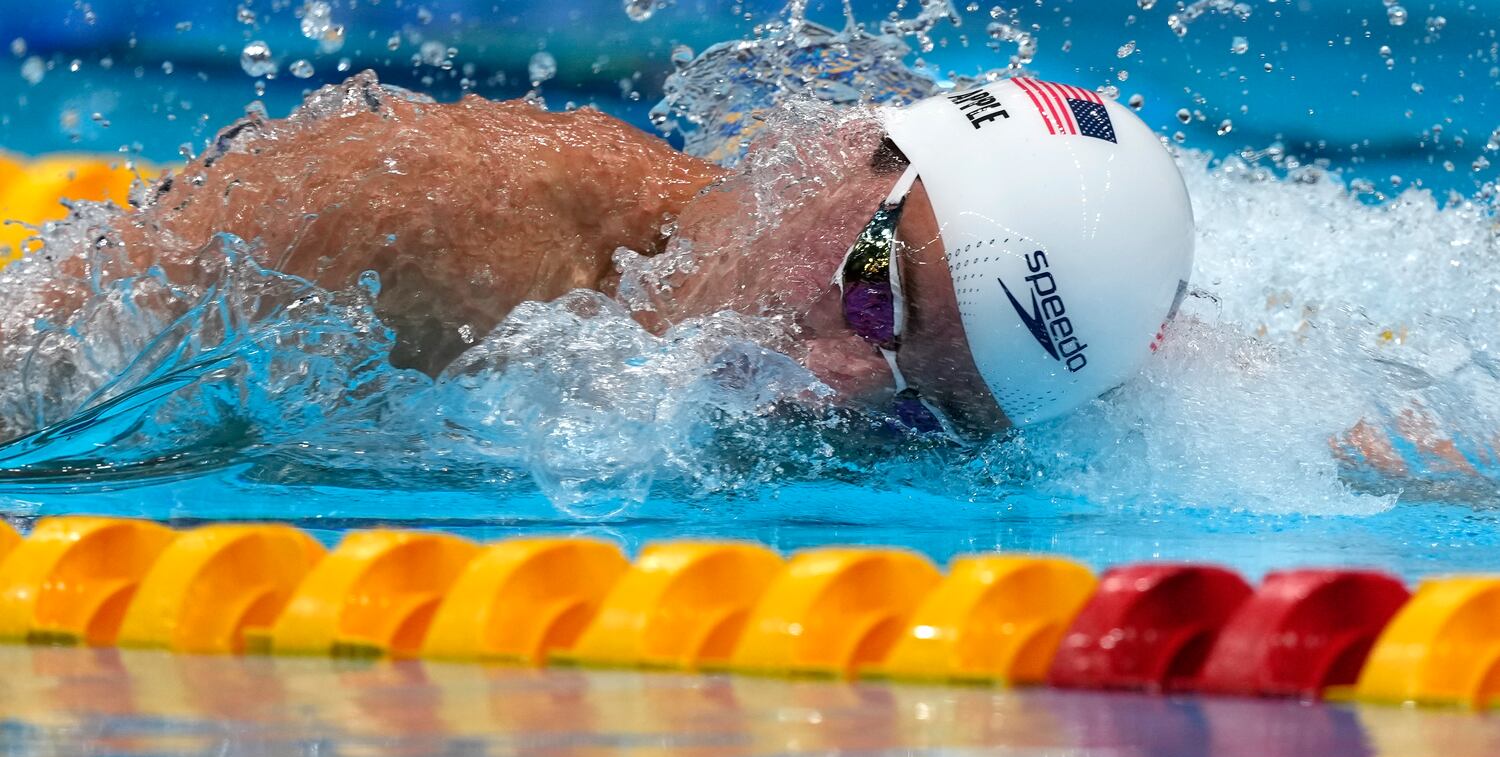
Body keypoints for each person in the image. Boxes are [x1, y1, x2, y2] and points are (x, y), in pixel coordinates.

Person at [3, 71, 1192, 442]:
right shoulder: (428, 215)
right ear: (843, 147)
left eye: (925, 408)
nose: (839, 382)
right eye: (873, 299)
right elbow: (35, 374)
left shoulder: (994, 332)